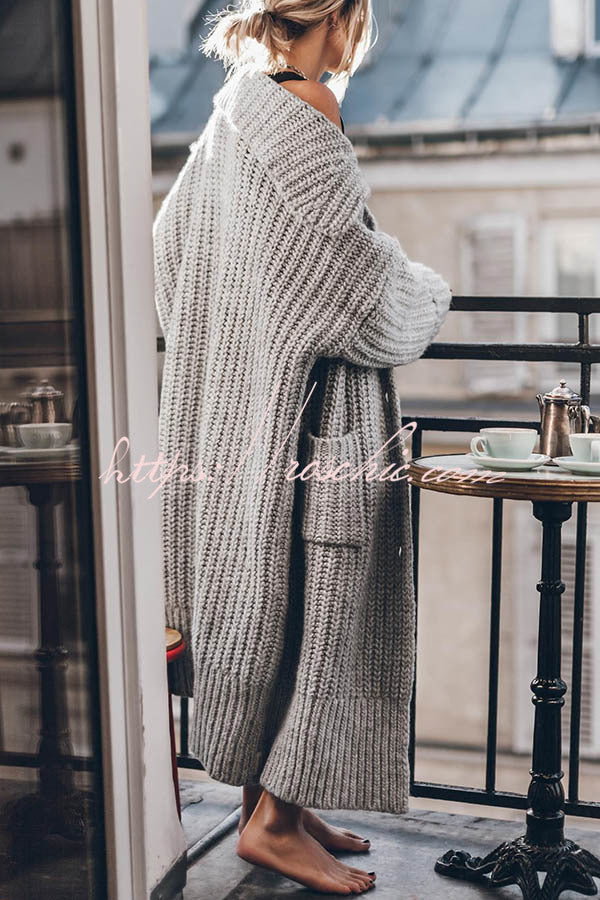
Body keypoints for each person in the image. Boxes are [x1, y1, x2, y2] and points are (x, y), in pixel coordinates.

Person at [152, 0, 452, 893]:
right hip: (318, 420)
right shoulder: (309, 105)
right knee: (324, 610)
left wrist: (242, 343)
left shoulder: (233, 110)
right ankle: (274, 825)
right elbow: (355, 283)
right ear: (343, 15)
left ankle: (274, 804)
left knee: (268, 607)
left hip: (242, 416)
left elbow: (171, 249)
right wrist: (428, 291)